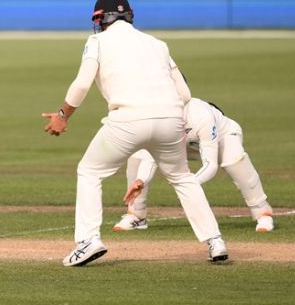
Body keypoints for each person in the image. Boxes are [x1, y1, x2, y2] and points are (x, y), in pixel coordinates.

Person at [44, 0, 228, 266]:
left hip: (127, 120)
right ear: (129, 16)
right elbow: (185, 92)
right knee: (181, 177)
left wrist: (62, 115)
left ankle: (88, 240)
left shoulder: (97, 41)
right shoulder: (157, 44)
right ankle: (215, 241)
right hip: (171, 119)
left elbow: (82, 84)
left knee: (90, 171)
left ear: (100, 19)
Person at [114, 98, 275, 233]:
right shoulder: (158, 117)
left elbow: (211, 165)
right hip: (184, 146)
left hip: (221, 140)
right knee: (138, 155)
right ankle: (137, 216)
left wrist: (190, 184)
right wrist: (141, 180)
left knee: (235, 161)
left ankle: (263, 214)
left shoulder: (201, 115)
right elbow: (152, 154)